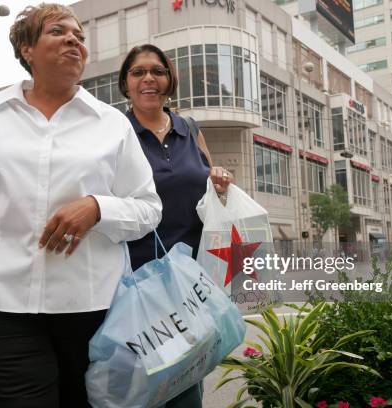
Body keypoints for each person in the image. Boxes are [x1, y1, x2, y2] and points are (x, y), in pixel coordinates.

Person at [0, 4, 162, 407]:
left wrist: (97, 208)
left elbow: (148, 208)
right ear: (27, 48)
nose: (73, 40)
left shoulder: (111, 123)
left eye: (79, 36)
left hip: (93, 308)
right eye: (58, 31)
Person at [119, 44, 233, 408]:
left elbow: (213, 191)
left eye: (157, 71)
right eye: (138, 72)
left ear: (169, 79)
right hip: (136, 279)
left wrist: (219, 179)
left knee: (185, 379)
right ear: (125, 84)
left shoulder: (189, 128)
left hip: (190, 279)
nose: (148, 78)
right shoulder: (116, 131)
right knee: (143, 379)